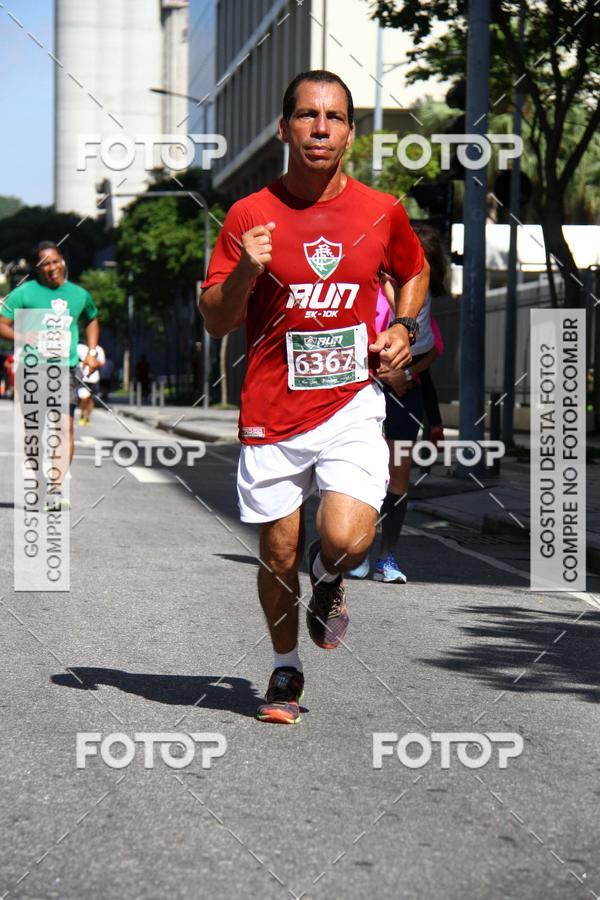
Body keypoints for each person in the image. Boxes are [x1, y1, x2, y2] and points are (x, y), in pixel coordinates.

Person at [200, 70, 429, 725]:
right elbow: (216, 318)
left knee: (349, 537)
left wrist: (403, 327)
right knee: (276, 553)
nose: (320, 128)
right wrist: (248, 267)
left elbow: (415, 270)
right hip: (272, 411)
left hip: (351, 403)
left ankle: (327, 579)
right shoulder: (249, 216)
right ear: (284, 128)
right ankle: (284, 669)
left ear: (350, 134)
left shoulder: (381, 210)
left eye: (333, 118)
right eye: (306, 115)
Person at [351, 224, 447, 583]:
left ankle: (387, 559)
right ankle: (356, 553)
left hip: (407, 396)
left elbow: (435, 348)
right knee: (364, 474)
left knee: (398, 477)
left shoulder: (423, 303)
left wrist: (406, 375)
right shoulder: (371, 291)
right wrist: (384, 374)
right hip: (367, 391)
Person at [0, 241, 100, 510]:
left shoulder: (78, 294)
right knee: (34, 432)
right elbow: (1, 323)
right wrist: (20, 335)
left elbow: (91, 318)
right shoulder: (24, 294)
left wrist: (92, 351)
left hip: (64, 370)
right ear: (37, 268)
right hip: (30, 370)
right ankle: (40, 482)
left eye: (56, 261)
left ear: (62, 262)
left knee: (64, 428)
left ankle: (55, 489)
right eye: (46, 263)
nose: (53, 267)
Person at [77, 342, 106, 424]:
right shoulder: (79, 347)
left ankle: (88, 417)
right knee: (84, 397)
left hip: (94, 379)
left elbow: (102, 363)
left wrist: (93, 362)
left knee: (91, 399)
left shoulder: (98, 349)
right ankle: (82, 413)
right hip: (82, 378)